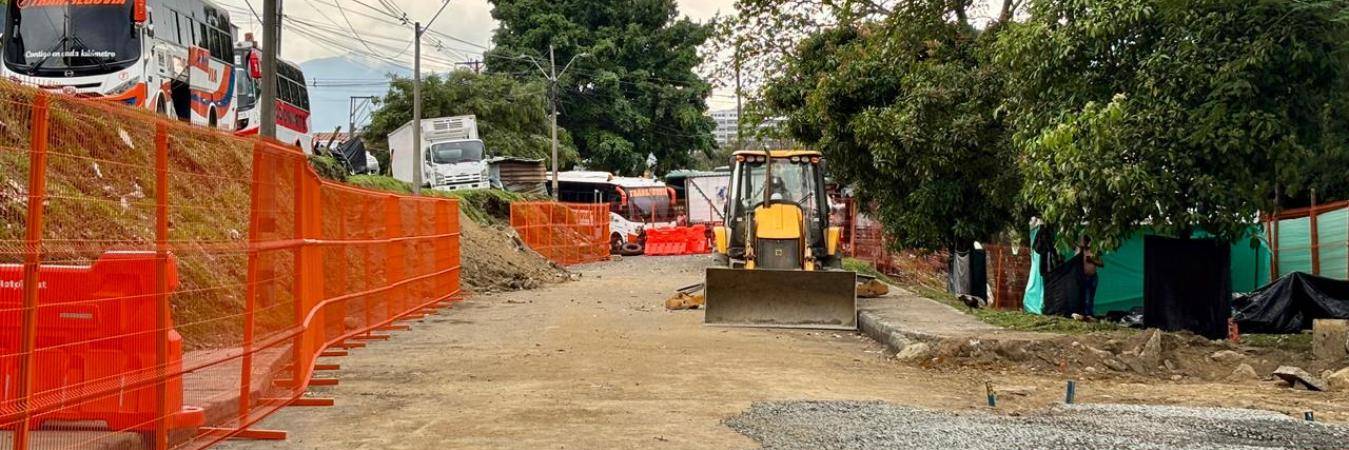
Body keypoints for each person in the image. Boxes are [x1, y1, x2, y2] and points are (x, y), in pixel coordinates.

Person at [1077, 236, 1105, 317]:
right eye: (1082, 242)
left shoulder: (1093, 251)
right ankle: (1085, 313)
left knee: (1091, 296)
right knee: (1085, 296)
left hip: (1093, 276)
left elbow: (1101, 264)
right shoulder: (1079, 251)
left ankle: (1090, 314)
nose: (1084, 243)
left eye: (1086, 242)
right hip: (1083, 277)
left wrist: (1092, 260)